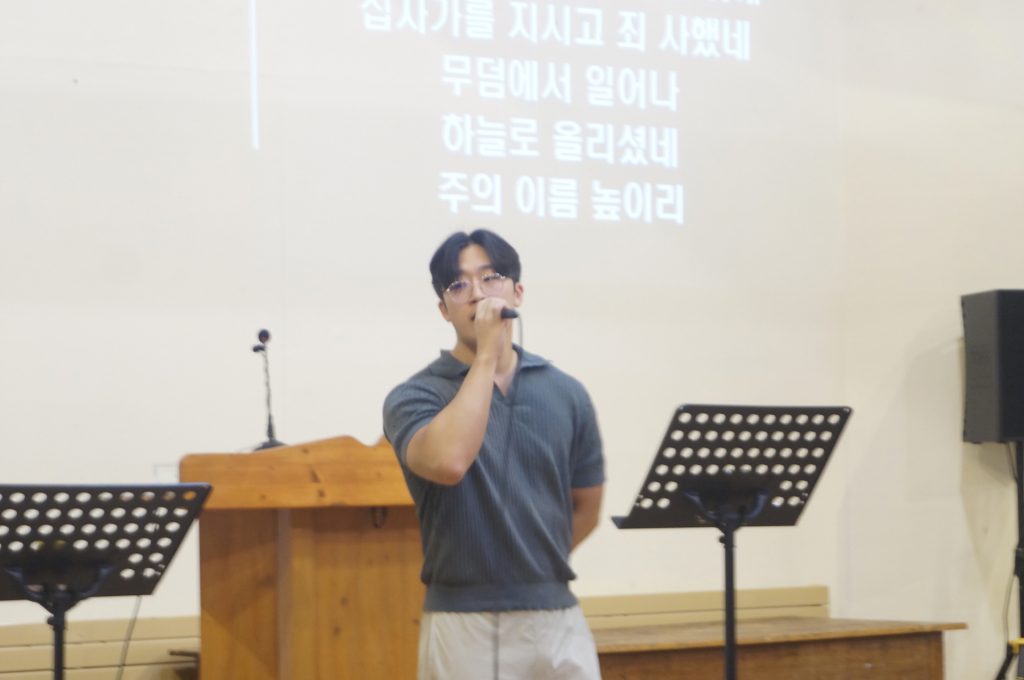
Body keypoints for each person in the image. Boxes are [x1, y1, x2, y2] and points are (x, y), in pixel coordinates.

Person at [382, 229, 606, 680]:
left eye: (491, 278)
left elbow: (586, 505)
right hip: (464, 621)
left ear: (517, 292)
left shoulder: (566, 392)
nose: (478, 293)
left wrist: (530, 565)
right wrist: (486, 355)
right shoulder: (415, 395)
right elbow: (448, 463)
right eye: (458, 284)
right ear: (444, 310)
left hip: (557, 613)